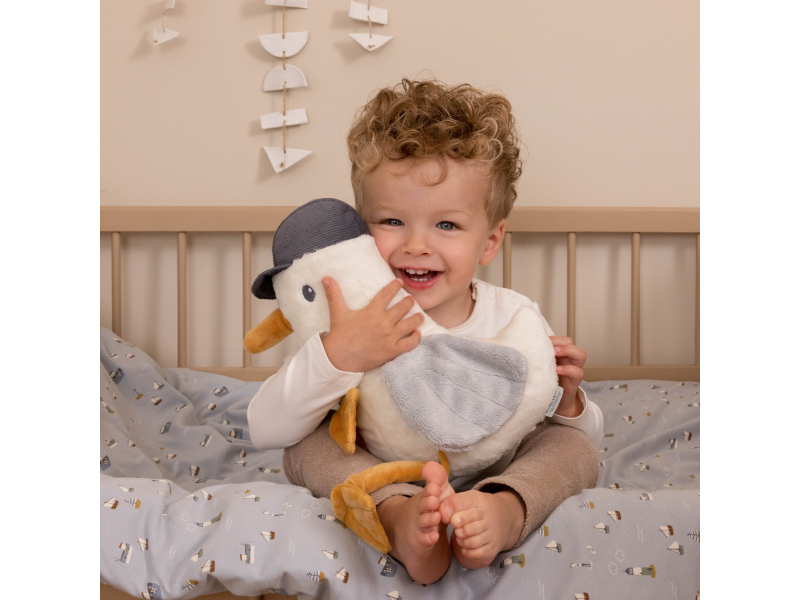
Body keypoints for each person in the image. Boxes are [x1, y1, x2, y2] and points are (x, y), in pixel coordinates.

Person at [247, 79, 602, 584]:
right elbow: (265, 428)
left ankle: (503, 510)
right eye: (391, 221)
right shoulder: (352, 320)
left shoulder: (513, 318)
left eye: (447, 225)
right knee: (306, 446)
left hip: (494, 472)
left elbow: (585, 436)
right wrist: (337, 355)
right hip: (384, 473)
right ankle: (396, 516)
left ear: (490, 241)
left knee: (571, 448)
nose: (416, 245)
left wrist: (568, 403)